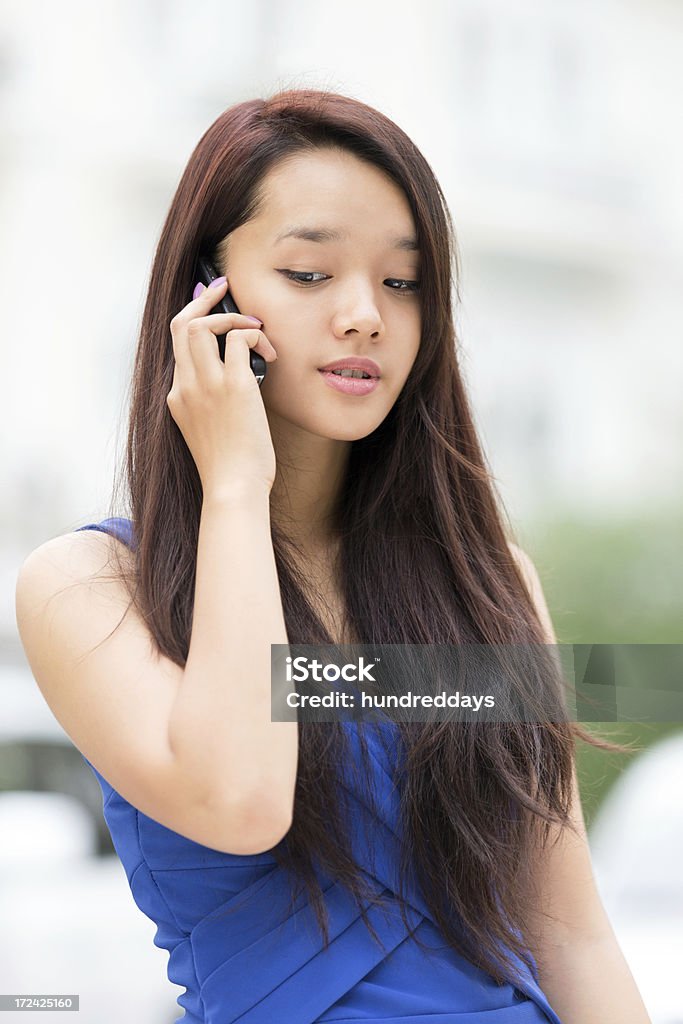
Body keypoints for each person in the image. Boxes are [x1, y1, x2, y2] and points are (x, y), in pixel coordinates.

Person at [15, 88, 651, 1024]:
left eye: (402, 283)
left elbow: (569, 932)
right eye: (310, 274)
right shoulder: (88, 587)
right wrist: (234, 486)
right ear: (208, 297)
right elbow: (240, 801)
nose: (365, 316)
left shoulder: (486, 581)